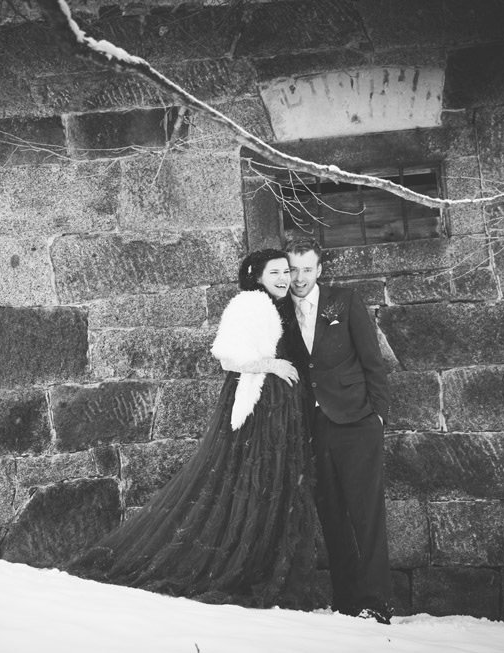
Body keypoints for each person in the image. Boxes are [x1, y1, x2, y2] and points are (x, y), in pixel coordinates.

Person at [65, 249, 323, 610]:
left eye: (287, 271)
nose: (284, 278)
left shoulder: (277, 306)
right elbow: (226, 354)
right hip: (260, 410)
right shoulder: (250, 303)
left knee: (268, 482)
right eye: (275, 272)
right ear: (257, 277)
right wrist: (273, 364)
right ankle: (240, 567)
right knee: (250, 480)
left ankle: (260, 564)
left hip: (277, 410)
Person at [282, 237, 393, 624]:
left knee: (366, 514)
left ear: (319, 270)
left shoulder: (344, 301)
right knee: (331, 515)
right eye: (292, 270)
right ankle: (346, 602)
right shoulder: (280, 313)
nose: (299, 278)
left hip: (357, 422)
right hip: (314, 428)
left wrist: (378, 416)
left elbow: (373, 361)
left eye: (306, 269)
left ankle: (375, 603)